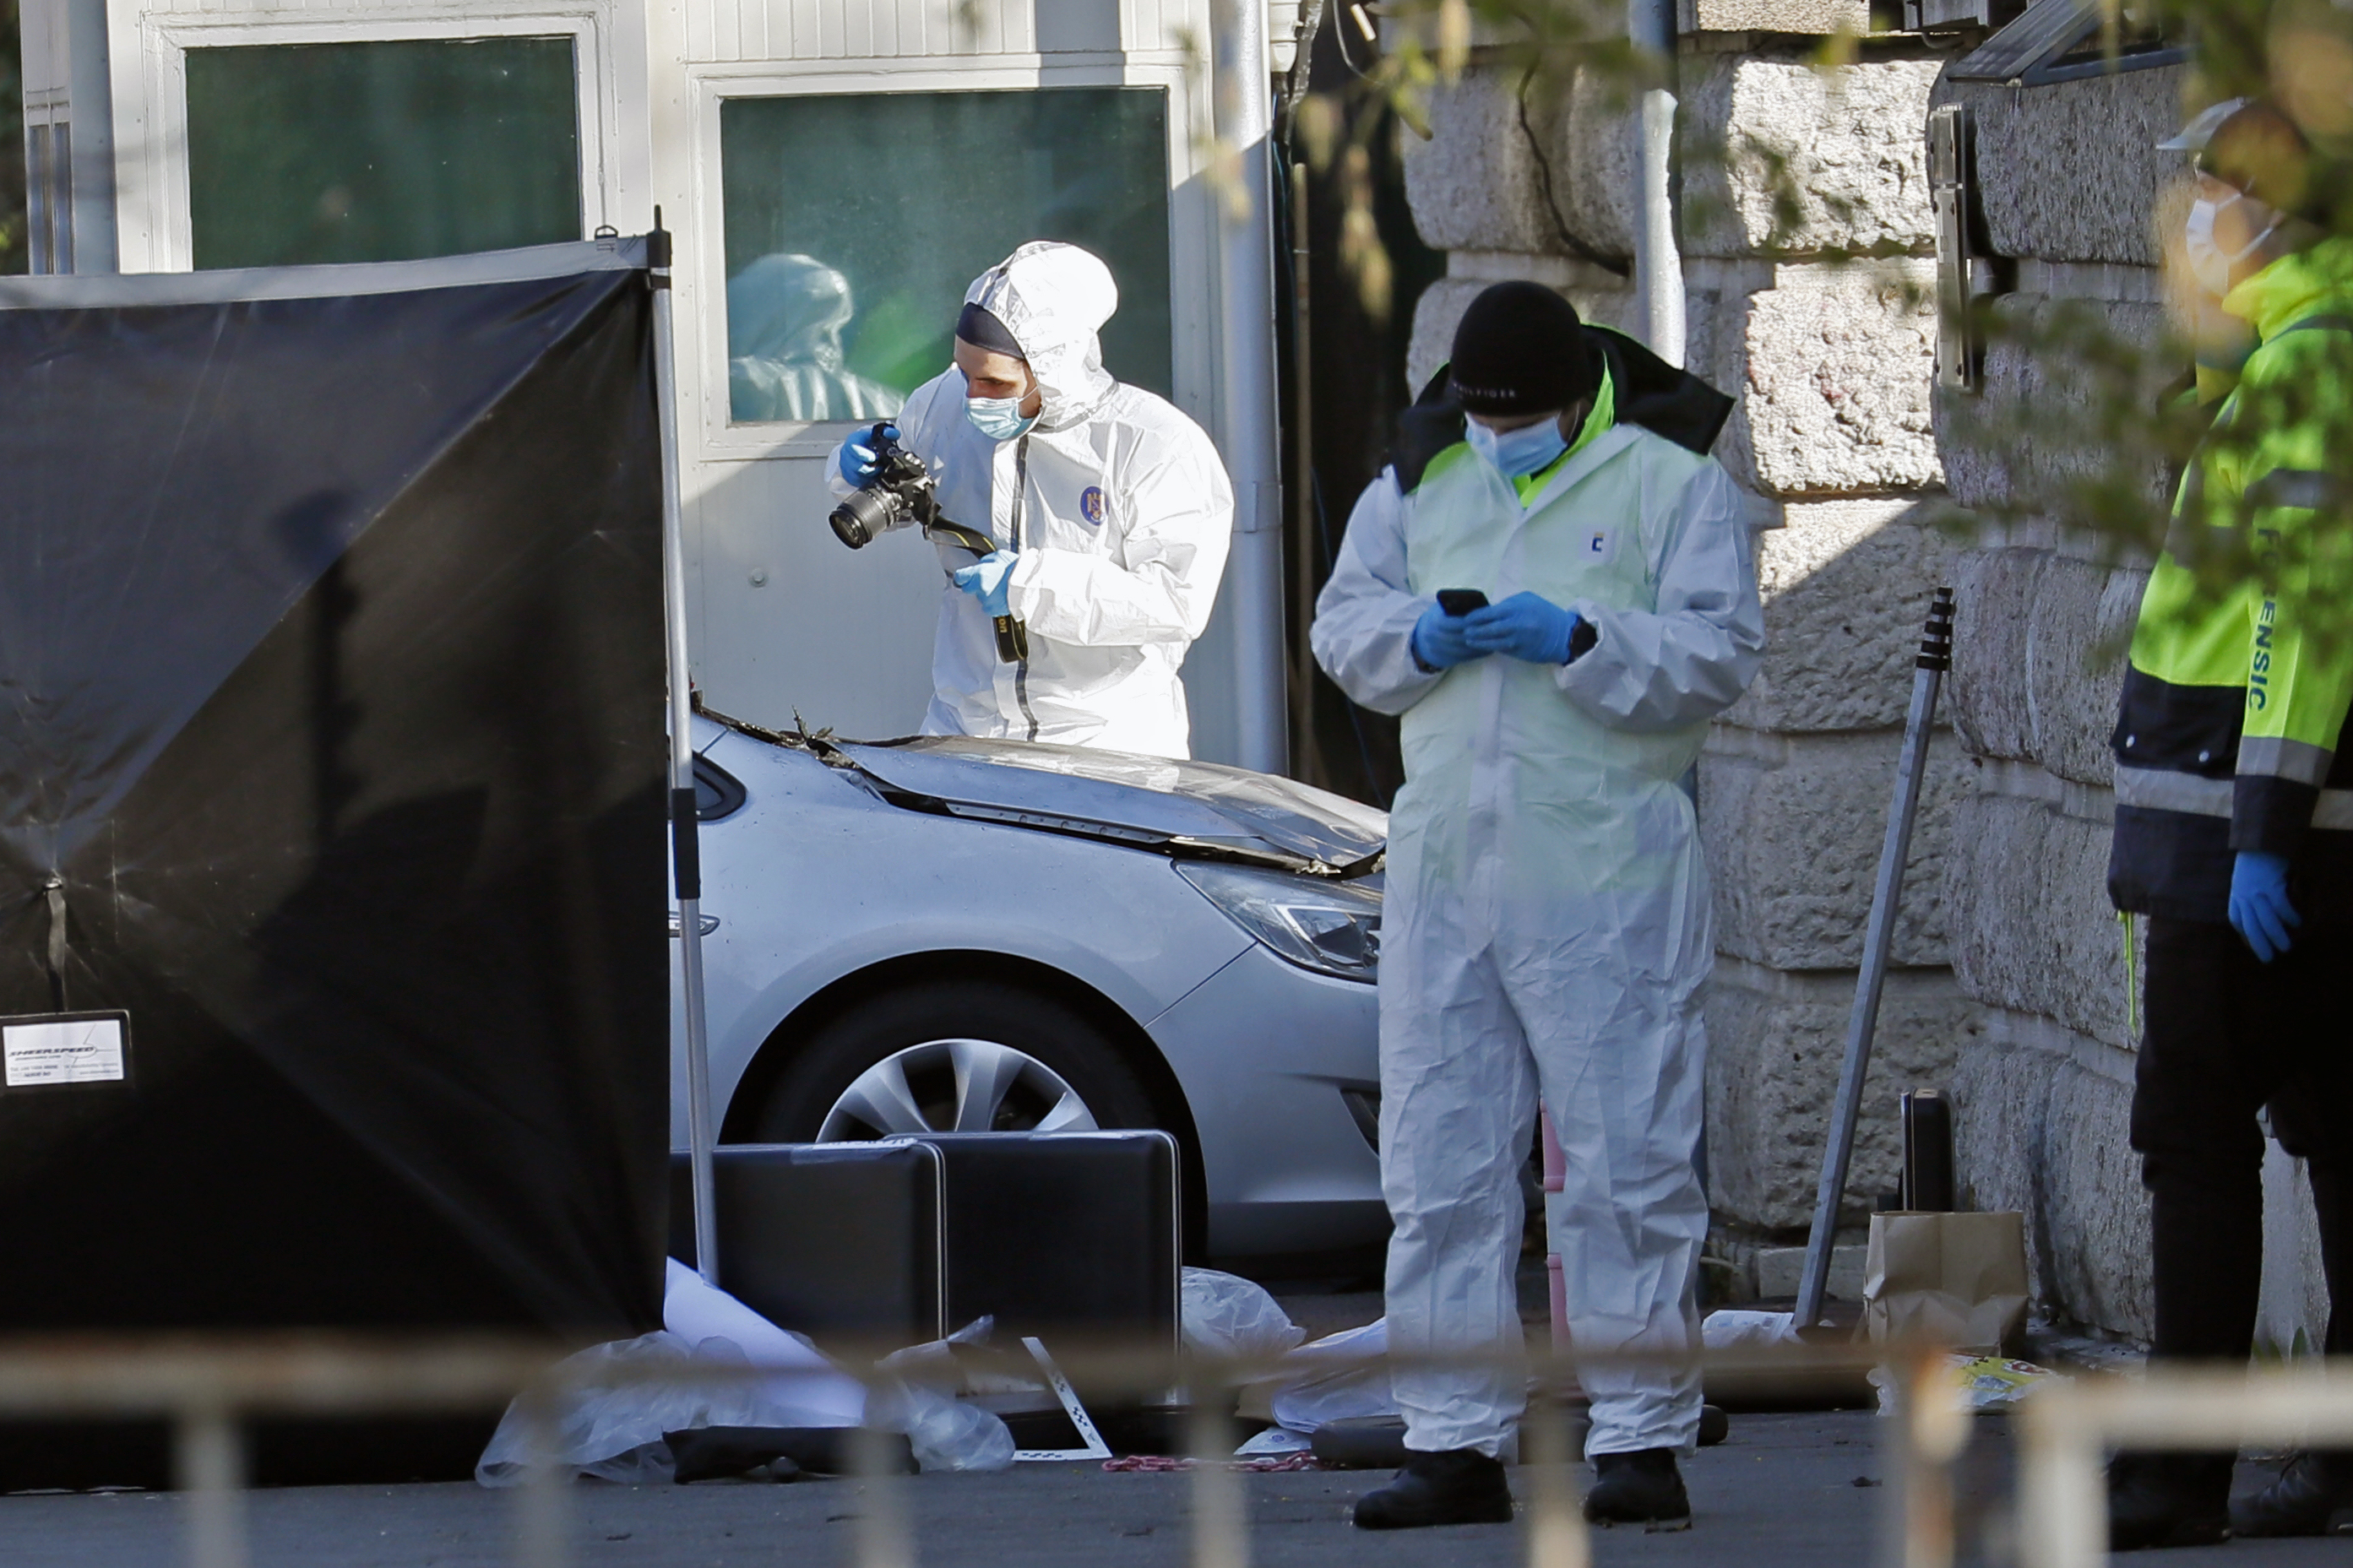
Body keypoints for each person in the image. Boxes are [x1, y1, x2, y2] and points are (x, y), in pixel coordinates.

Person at [1311, 281, 1763, 1531]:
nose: (1496, 434)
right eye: (1478, 414)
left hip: (1605, 878)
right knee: (1441, 1161)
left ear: (1578, 397)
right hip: (1449, 870)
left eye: (1519, 415)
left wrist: (1582, 640)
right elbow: (1341, 628)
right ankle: (1451, 1440)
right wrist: (1420, 639)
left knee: (1625, 1164)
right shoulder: (1420, 479)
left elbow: (1719, 656)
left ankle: (1639, 1438)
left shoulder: (1665, 486)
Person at [2106, 99, 2353, 1550]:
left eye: (2198, 195)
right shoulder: (2293, 360)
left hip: (2244, 846)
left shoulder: (2311, 370)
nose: (2183, 222)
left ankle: (2170, 1477)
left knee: (2193, 1147)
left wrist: (2262, 822)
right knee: (2335, 1140)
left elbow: (2304, 614)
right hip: (2283, 838)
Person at [827, 241, 1232, 757]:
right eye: (965, 373)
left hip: (1107, 740)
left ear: (1054, 367)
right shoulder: (943, 403)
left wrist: (1030, 586)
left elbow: (1177, 601)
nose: (973, 396)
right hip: (965, 724)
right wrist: (850, 469)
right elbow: (894, 489)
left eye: (995, 382)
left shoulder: (1152, 445)